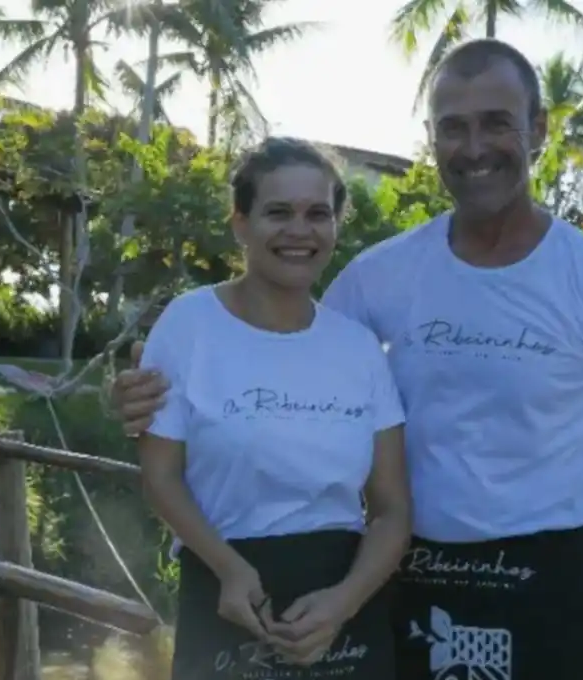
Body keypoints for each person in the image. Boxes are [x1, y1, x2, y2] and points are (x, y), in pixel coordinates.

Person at [113, 39, 583, 680]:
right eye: (453, 127)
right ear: (431, 139)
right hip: (408, 580)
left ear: (538, 130)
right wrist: (148, 391)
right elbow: (284, 358)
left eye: (496, 123)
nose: (473, 148)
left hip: (553, 586)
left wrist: (516, 506)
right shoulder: (376, 277)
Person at [135, 137, 411, 680]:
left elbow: (391, 510)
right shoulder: (189, 326)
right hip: (227, 597)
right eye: (277, 212)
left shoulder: (359, 348)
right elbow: (161, 475)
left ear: (335, 225)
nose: (299, 231)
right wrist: (230, 570)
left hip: (341, 608)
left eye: (317, 214)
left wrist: (344, 602)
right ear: (240, 223)